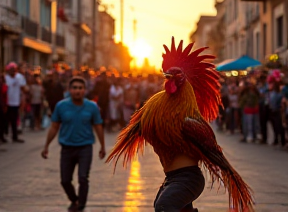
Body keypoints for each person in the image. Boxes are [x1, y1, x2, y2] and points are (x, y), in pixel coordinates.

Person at [107, 37, 254, 212]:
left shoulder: (190, 123)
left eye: (175, 76)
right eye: (168, 75)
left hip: (188, 178)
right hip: (171, 177)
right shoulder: (155, 109)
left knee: (165, 206)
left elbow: (215, 154)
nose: (169, 78)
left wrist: (232, 179)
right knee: (165, 205)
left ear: (183, 81)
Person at [41, 76, 106, 212]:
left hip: (85, 147)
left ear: (84, 90)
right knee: (65, 180)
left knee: (83, 178)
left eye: (80, 88)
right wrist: (46, 145)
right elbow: (54, 127)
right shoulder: (61, 106)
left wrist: (102, 146)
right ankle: (75, 200)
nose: (77, 91)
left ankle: (80, 206)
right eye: (74, 88)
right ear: (69, 90)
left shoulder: (92, 107)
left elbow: (98, 126)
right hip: (67, 148)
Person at [5, 62, 26, 143]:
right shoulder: (5, 78)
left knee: (14, 120)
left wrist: (23, 100)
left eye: (14, 70)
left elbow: (23, 88)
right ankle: (3, 135)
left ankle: (15, 136)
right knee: (5, 120)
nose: (13, 71)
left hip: (15, 102)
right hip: (6, 103)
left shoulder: (19, 77)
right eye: (11, 70)